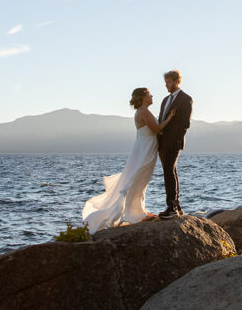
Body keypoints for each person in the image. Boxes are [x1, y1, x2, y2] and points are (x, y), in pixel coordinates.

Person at [82, 87, 174, 233]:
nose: (152, 96)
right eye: (149, 95)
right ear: (143, 97)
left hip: (144, 147)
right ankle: (135, 214)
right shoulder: (143, 111)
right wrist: (170, 119)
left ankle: (139, 210)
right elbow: (156, 129)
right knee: (139, 179)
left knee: (141, 180)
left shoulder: (142, 111)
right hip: (146, 148)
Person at [157, 70, 192, 218]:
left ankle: (172, 207)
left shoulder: (186, 99)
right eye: (165, 82)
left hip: (175, 142)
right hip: (162, 143)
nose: (166, 85)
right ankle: (176, 205)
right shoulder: (165, 100)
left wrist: (176, 140)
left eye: (169, 82)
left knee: (169, 171)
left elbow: (185, 123)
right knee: (170, 171)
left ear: (177, 81)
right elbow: (161, 120)